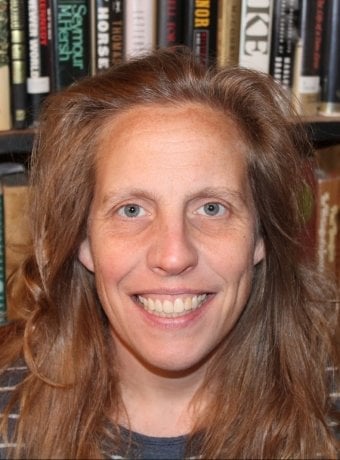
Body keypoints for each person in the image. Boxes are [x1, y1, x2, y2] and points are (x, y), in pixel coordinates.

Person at [0, 46, 339, 459]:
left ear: (259, 235)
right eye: (132, 210)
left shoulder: (329, 411)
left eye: (212, 208)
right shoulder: (8, 418)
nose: (174, 256)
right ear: (83, 240)